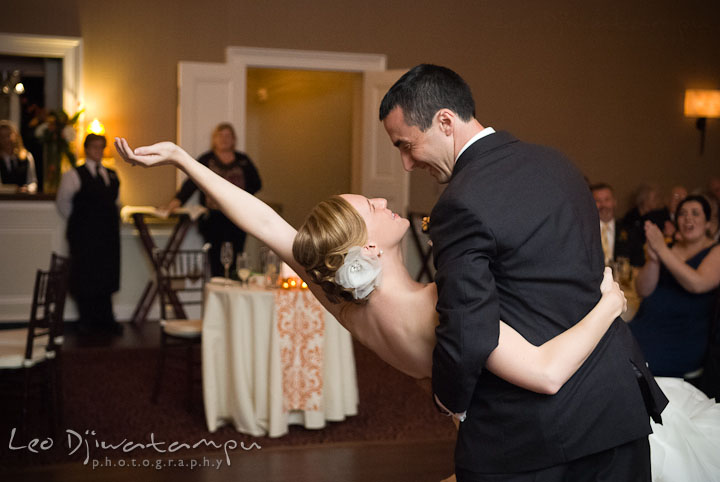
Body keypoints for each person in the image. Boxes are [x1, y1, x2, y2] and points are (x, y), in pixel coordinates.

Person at [115, 138, 719, 482]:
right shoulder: (441, 308)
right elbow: (545, 370)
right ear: (368, 247)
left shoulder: (347, 300)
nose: (383, 197)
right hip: (528, 451)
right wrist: (607, 306)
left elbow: (265, 220)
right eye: (372, 205)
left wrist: (180, 158)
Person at [378, 65, 665, 481]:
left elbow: (468, 329)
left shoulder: (459, 203)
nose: (406, 164)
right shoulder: (558, 164)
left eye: (407, 145)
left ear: (444, 121)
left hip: (535, 435)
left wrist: (447, 398)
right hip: (617, 406)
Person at [630, 195, 720, 378]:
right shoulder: (670, 247)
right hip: (647, 325)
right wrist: (654, 260)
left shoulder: (716, 250)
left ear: (709, 223)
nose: (688, 218)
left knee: (629, 365)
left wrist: (662, 250)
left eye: (695, 214)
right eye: (682, 214)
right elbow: (643, 290)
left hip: (681, 336)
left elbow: (698, 283)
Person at [163, 122, 261, 277]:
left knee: (236, 258)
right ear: (214, 139)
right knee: (216, 259)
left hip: (238, 218)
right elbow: (191, 183)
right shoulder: (207, 159)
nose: (224, 139)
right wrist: (176, 202)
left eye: (228, 136)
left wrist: (239, 198)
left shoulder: (243, 160)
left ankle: (234, 292)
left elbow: (256, 184)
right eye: (220, 136)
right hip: (214, 219)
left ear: (234, 139)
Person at [57, 134, 122, 335]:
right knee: (84, 275)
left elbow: (116, 203)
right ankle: (86, 320)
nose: (98, 151)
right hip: (84, 237)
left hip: (108, 237)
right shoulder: (74, 175)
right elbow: (63, 203)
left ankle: (106, 319)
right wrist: (82, 225)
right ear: (86, 149)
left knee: (107, 274)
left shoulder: (111, 174)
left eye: (101, 147)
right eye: (94, 147)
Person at [591, 182, 644, 267]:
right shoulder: (585, 233)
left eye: (607, 200)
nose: (603, 205)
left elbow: (638, 264)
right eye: (598, 201)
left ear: (614, 202)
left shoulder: (630, 231)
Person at [0, 120, 37, 192]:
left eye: (8, 135)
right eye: (2, 137)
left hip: (22, 200)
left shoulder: (26, 157)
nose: (6, 140)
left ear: (15, 136)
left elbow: (33, 182)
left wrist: (28, 189)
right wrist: (14, 189)